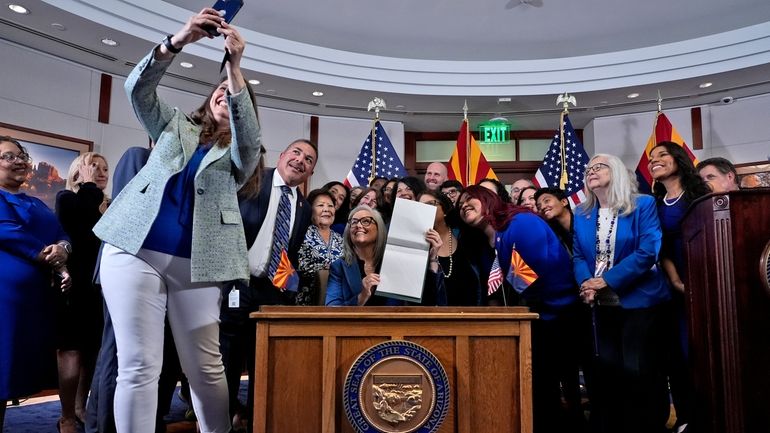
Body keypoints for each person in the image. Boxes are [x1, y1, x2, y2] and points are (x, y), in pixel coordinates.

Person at [92, 9, 262, 432]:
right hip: (133, 252)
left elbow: (251, 141)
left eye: (234, 92)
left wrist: (235, 69)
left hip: (199, 266)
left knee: (205, 369)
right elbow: (138, 90)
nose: (225, 92)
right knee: (139, 365)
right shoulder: (174, 124)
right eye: (220, 88)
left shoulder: (243, 156)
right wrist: (179, 39)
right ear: (209, 98)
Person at [219, 139, 316, 430]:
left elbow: (292, 253)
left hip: (273, 292)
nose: (301, 160)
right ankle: (221, 419)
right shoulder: (252, 182)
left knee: (264, 360)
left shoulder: (304, 206)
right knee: (229, 358)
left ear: (310, 172)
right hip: (237, 283)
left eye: (309, 159)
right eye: (296, 152)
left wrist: (288, 291)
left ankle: (256, 420)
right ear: (283, 154)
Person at [574, 153, 671, 433]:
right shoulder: (582, 213)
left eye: (599, 166)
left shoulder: (643, 204)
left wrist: (606, 280)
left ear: (615, 171)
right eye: (588, 169)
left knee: (639, 370)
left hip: (641, 301)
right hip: (601, 306)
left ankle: (649, 425)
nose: (591, 171)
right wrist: (586, 284)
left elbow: (648, 251)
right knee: (609, 370)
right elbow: (579, 256)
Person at [0, 136, 72, 431]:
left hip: (33, 302)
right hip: (5, 302)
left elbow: (61, 232)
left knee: (12, 376)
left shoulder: (35, 202)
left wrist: (64, 250)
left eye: (21, 156)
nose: (18, 161)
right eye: (8, 157)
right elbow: (8, 231)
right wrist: (51, 258)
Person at [648, 142, 710, 433]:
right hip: (673, 286)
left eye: (662, 155)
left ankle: (711, 414)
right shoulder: (655, 205)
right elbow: (661, 250)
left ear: (679, 159)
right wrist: (675, 281)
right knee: (677, 355)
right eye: (651, 158)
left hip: (706, 278)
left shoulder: (701, 197)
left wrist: (696, 279)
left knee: (702, 352)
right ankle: (686, 417)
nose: (654, 160)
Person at [55, 152, 110, 432]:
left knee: (92, 351)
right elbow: (84, 230)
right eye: (93, 168)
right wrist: (88, 186)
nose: (101, 173)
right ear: (78, 171)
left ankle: (80, 406)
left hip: (101, 286)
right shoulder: (67, 198)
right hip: (74, 284)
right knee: (72, 350)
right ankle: (66, 415)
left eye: (104, 168)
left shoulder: (109, 205)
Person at [325, 206, 446, 306]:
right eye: (354, 222)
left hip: (396, 331)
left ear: (379, 229)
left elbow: (427, 303)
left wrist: (432, 260)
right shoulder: (339, 267)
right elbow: (331, 309)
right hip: (355, 331)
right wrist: (361, 296)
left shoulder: (397, 261)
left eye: (366, 221)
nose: (359, 225)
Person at [418, 191, 480, 305]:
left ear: (445, 210)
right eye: (421, 206)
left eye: (431, 204)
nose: (425, 209)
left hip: (470, 315)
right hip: (432, 318)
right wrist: (432, 260)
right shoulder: (416, 243)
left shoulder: (465, 236)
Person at [296, 189, 344, 306]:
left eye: (330, 206)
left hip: (335, 302)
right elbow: (297, 264)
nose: (326, 209)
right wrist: (327, 268)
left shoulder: (340, 238)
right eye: (320, 205)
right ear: (310, 209)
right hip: (305, 300)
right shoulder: (301, 232)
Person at [534, 187, 573, 254]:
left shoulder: (584, 222)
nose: (543, 207)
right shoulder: (554, 234)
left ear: (564, 202)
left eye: (546, 201)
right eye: (539, 207)